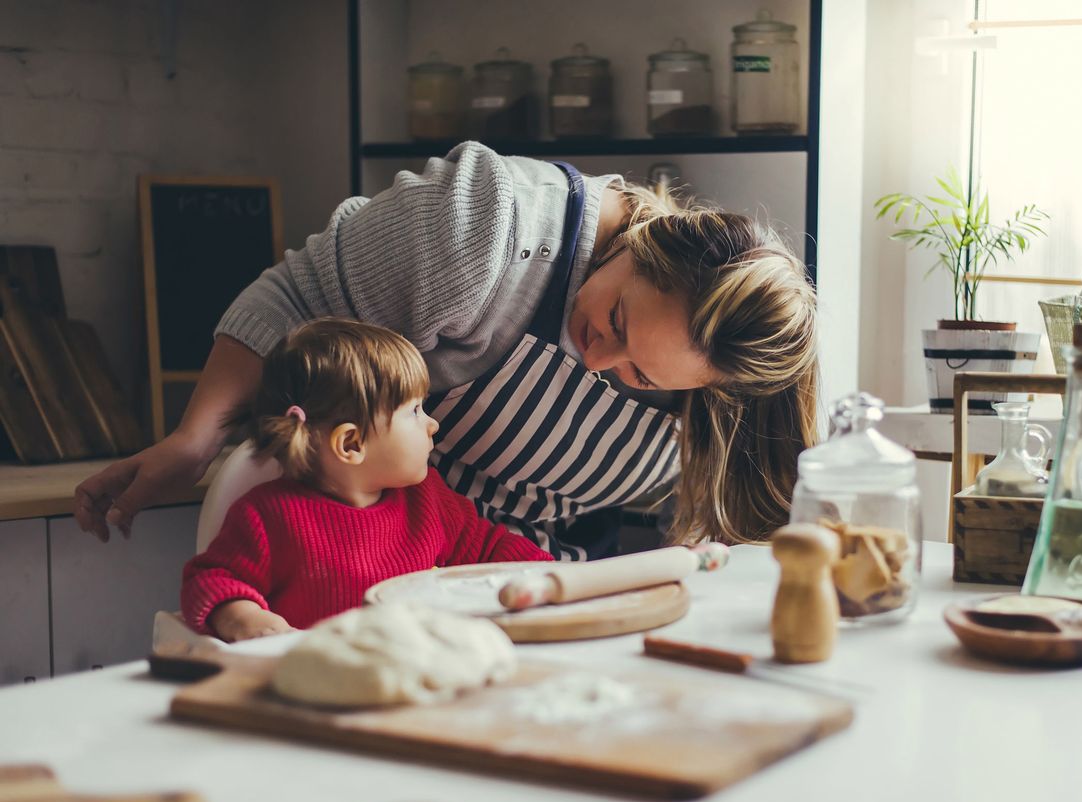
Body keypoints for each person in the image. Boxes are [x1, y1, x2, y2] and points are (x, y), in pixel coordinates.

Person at [77, 142, 819, 558]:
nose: (598, 364)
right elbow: (290, 303)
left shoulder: (735, 387)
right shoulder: (486, 221)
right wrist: (192, 439)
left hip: (516, 597)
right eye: (616, 322)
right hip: (359, 559)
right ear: (643, 240)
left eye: (640, 377)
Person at [182, 319, 552, 642]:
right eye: (415, 411)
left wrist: (556, 577)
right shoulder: (267, 516)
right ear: (352, 443)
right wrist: (244, 617)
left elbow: (489, 548)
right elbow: (213, 578)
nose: (432, 423)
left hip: (417, 669)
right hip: (317, 689)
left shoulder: (427, 500)